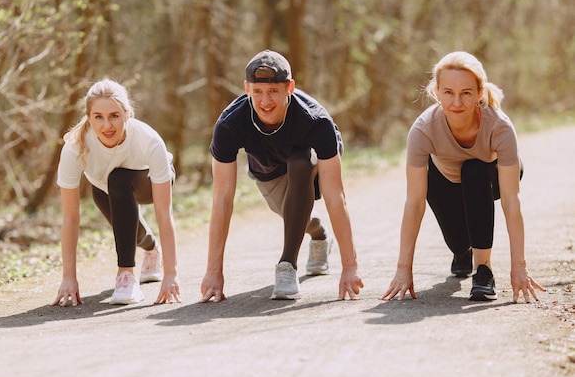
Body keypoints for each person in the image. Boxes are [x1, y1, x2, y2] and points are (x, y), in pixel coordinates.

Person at [381, 51, 546, 303]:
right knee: (459, 243)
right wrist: (403, 270)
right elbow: (414, 203)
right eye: (448, 92)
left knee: (474, 168)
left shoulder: (499, 125)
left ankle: (483, 270)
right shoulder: (423, 129)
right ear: (437, 93)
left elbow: (512, 201)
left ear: (479, 93)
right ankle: (463, 253)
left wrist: (519, 268)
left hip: (489, 178)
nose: (456, 102)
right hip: (445, 180)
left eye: (466, 93)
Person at [199, 50, 363, 302]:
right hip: (268, 171)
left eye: (274, 91)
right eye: (257, 92)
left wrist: (350, 267)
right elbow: (222, 198)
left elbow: (335, 196)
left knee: (301, 161)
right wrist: (213, 273)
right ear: (246, 89)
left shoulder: (316, 121)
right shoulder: (229, 124)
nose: (265, 101)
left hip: (313, 163)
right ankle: (319, 236)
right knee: (294, 217)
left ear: (290, 88)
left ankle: (287, 266)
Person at [51, 79, 181, 307]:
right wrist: (68, 278)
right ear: (89, 118)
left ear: (127, 114)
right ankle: (151, 250)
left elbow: (164, 214)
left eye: (114, 116)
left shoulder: (148, 140)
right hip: (106, 187)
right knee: (124, 220)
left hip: (149, 181)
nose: (107, 125)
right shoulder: (74, 147)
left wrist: (171, 274)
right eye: (98, 117)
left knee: (119, 179)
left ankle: (126, 277)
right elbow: (70, 219)